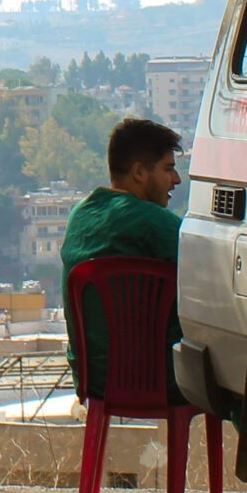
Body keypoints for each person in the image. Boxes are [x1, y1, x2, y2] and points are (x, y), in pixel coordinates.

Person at [58, 118, 191, 406]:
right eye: (168, 169)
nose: (177, 179)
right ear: (140, 172)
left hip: (93, 378)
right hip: (157, 379)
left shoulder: (79, 215)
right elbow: (207, 265)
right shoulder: (151, 220)